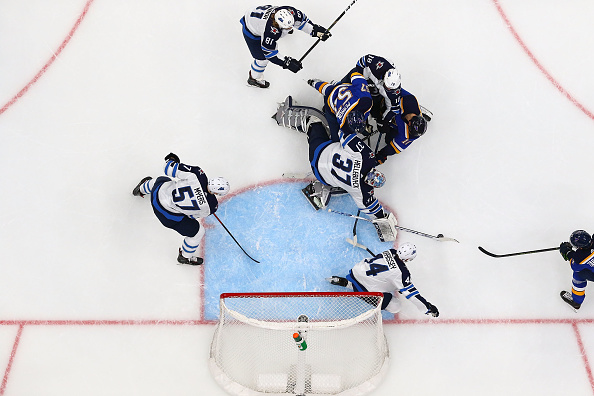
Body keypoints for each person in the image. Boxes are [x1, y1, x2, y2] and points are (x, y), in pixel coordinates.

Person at [271, 97, 397, 241]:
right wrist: (384, 220)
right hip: (321, 174)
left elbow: (346, 134)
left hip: (320, 151)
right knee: (347, 189)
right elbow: (372, 209)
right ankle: (322, 187)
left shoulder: (365, 157)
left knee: (315, 123)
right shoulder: (362, 190)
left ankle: (283, 116)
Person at [132, 153, 230, 265]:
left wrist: (172, 160)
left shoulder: (197, 174)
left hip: (156, 195)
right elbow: (191, 216)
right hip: (166, 216)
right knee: (198, 232)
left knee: (161, 180)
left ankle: (141, 189)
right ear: (217, 193)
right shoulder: (212, 206)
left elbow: (168, 168)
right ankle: (185, 256)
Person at [327, 244, 439, 317]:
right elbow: (412, 295)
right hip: (364, 290)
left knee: (386, 281)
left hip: (356, 271)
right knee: (396, 306)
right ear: (408, 259)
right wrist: (428, 308)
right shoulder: (402, 273)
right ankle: (350, 286)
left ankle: (350, 283)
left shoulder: (390, 252)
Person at [240, 5, 331, 88]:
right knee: (262, 59)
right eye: (287, 28)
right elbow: (269, 54)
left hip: (258, 15)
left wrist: (315, 31)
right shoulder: (270, 32)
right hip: (251, 28)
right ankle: (254, 79)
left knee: (291, 26)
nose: (291, 27)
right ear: (278, 26)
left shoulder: (291, 11)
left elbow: (302, 22)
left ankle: (285, 29)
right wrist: (287, 63)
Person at [307, 71, 373, 141]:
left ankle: (315, 82)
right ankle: (317, 84)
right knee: (336, 139)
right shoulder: (365, 101)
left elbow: (355, 74)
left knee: (325, 88)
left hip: (341, 88)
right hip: (331, 102)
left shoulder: (364, 99)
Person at [559, 229, 594, 310]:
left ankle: (576, 301)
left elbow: (574, 265)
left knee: (579, 274)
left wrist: (567, 252)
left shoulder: (580, 258)